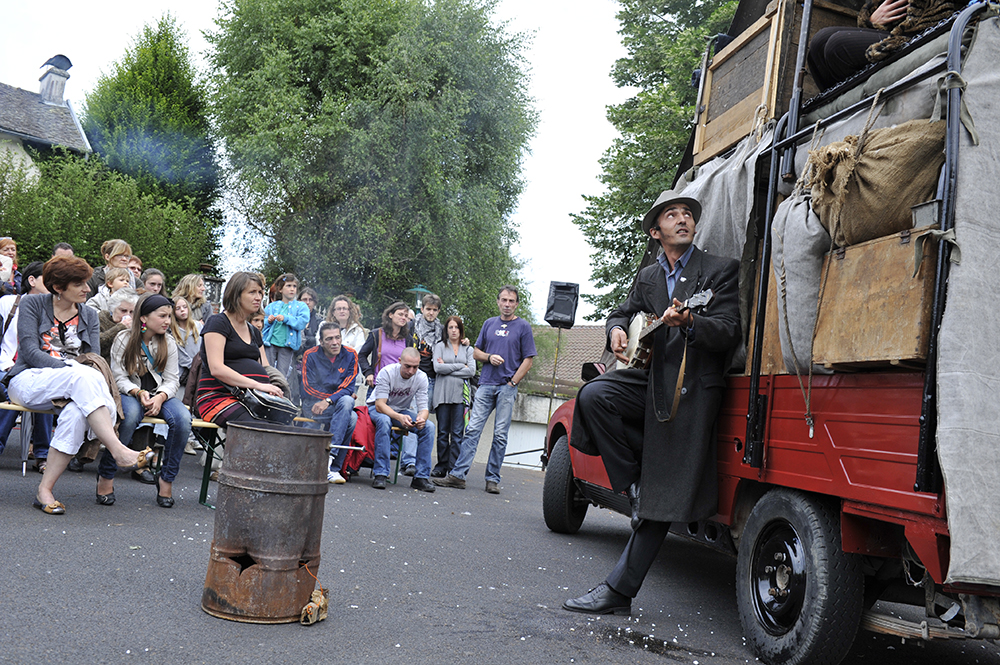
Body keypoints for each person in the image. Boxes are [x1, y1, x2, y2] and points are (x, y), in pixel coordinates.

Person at [561, 190, 740, 616]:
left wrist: (692, 320)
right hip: (651, 384)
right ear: (656, 230)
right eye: (672, 215)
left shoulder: (718, 270)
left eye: (688, 215)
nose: (683, 219)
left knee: (666, 492)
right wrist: (616, 330)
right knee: (593, 394)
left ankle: (618, 591)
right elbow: (620, 311)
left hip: (692, 394)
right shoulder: (648, 276)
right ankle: (634, 485)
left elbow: (729, 330)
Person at [7, 256, 147, 515]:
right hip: (29, 380)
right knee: (83, 375)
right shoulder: (32, 304)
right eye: (79, 284)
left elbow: (92, 357)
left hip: (74, 389)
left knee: (76, 414)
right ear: (59, 287)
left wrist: (77, 372)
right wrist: (70, 368)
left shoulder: (88, 314)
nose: (87, 288)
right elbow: (28, 350)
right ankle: (117, 449)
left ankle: (44, 490)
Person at [433, 286, 535, 494]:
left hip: (507, 387)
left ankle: (492, 479)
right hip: (486, 384)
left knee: (500, 435)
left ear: (516, 304)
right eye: (504, 300)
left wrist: (513, 382)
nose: (507, 304)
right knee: (472, 431)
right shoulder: (489, 324)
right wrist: (489, 357)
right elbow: (476, 352)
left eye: (511, 301)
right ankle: (458, 476)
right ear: (498, 301)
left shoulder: (523, 327)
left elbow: (528, 359)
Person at [98, 294, 192, 508]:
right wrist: (137, 391)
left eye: (169, 316)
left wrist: (160, 396)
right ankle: (106, 475)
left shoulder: (168, 341)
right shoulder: (124, 339)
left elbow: (172, 380)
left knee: (183, 419)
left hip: (161, 395)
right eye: (162, 316)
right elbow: (118, 376)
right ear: (144, 318)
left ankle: (166, 479)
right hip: (132, 392)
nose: (168, 321)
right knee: (129, 416)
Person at [196, 272, 284, 428]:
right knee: (258, 428)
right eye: (252, 292)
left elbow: (264, 367)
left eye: (260, 293)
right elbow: (217, 369)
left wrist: (276, 386)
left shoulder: (254, 331)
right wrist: (258, 385)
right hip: (217, 397)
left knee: (282, 427)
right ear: (236, 295)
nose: (258, 297)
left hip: (253, 398)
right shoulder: (218, 323)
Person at [0, 262, 53, 473]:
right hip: (5, 365)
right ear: (31, 280)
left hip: (37, 368)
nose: (53, 284)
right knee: (9, 387)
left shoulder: (54, 308)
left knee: (46, 390)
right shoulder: (7, 303)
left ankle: (42, 454)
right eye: (47, 279)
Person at [368, 347, 436, 492]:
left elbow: (424, 408)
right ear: (400, 361)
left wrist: (421, 419)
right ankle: (380, 473)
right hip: (378, 408)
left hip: (401, 411)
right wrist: (398, 417)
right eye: (408, 366)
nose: (411, 371)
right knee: (384, 421)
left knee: (429, 427)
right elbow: (380, 405)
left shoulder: (421, 377)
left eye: (415, 367)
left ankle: (420, 477)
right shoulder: (387, 372)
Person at [301, 321, 359, 484]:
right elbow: (307, 387)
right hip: (313, 403)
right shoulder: (310, 355)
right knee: (350, 416)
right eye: (329, 339)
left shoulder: (351, 355)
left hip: (333, 405)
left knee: (348, 402)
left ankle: (331, 464)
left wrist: (328, 400)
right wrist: (327, 399)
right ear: (321, 342)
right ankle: (315, 465)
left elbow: (348, 388)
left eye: (337, 337)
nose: (335, 342)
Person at [431, 316, 475, 478]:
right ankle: (441, 465)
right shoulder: (440, 347)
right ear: (446, 330)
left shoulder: (468, 349)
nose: (454, 330)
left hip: (461, 397)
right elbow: (437, 368)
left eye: (456, 327)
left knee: (457, 434)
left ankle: (454, 468)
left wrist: (447, 367)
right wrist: (459, 366)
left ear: (461, 329)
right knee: (442, 432)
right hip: (442, 394)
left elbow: (470, 371)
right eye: (450, 327)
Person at [261, 273, 309, 383]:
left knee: (283, 374)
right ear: (280, 289)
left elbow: (302, 322)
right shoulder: (271, 306)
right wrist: (268, 321)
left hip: (287, 345)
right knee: (267, 370)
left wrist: (286, 318)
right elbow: (261, 321)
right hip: (270, 343)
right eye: (288, 286)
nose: (292, 289)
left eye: (294, 286)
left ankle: (279, 392)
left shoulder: (301, 307)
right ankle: (265, 390)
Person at [358, 301, 414, 391]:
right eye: (400, 314)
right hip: (378, 385)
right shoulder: (376, 334)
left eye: (406, 316)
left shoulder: (408, 339)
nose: (403, 318)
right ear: (390, 315)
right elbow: (361, 355)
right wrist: (368, 373)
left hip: (398, 388)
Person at [414, 293, 443, 406]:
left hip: (430, 377)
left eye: (434, 310)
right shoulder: (413, 326)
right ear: (422, 309)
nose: (431, 313)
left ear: (438, 311)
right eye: (428, 309)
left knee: (423, 411)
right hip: (412, 374)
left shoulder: (441, 330)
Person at [170, 296, 201, 388]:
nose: (182, 310)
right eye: (178, 308)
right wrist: (196, 367)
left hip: (200, 370)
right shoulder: (174, 332)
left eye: (184, 307)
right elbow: (182, 358)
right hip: (184, 375)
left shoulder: (198, 326)